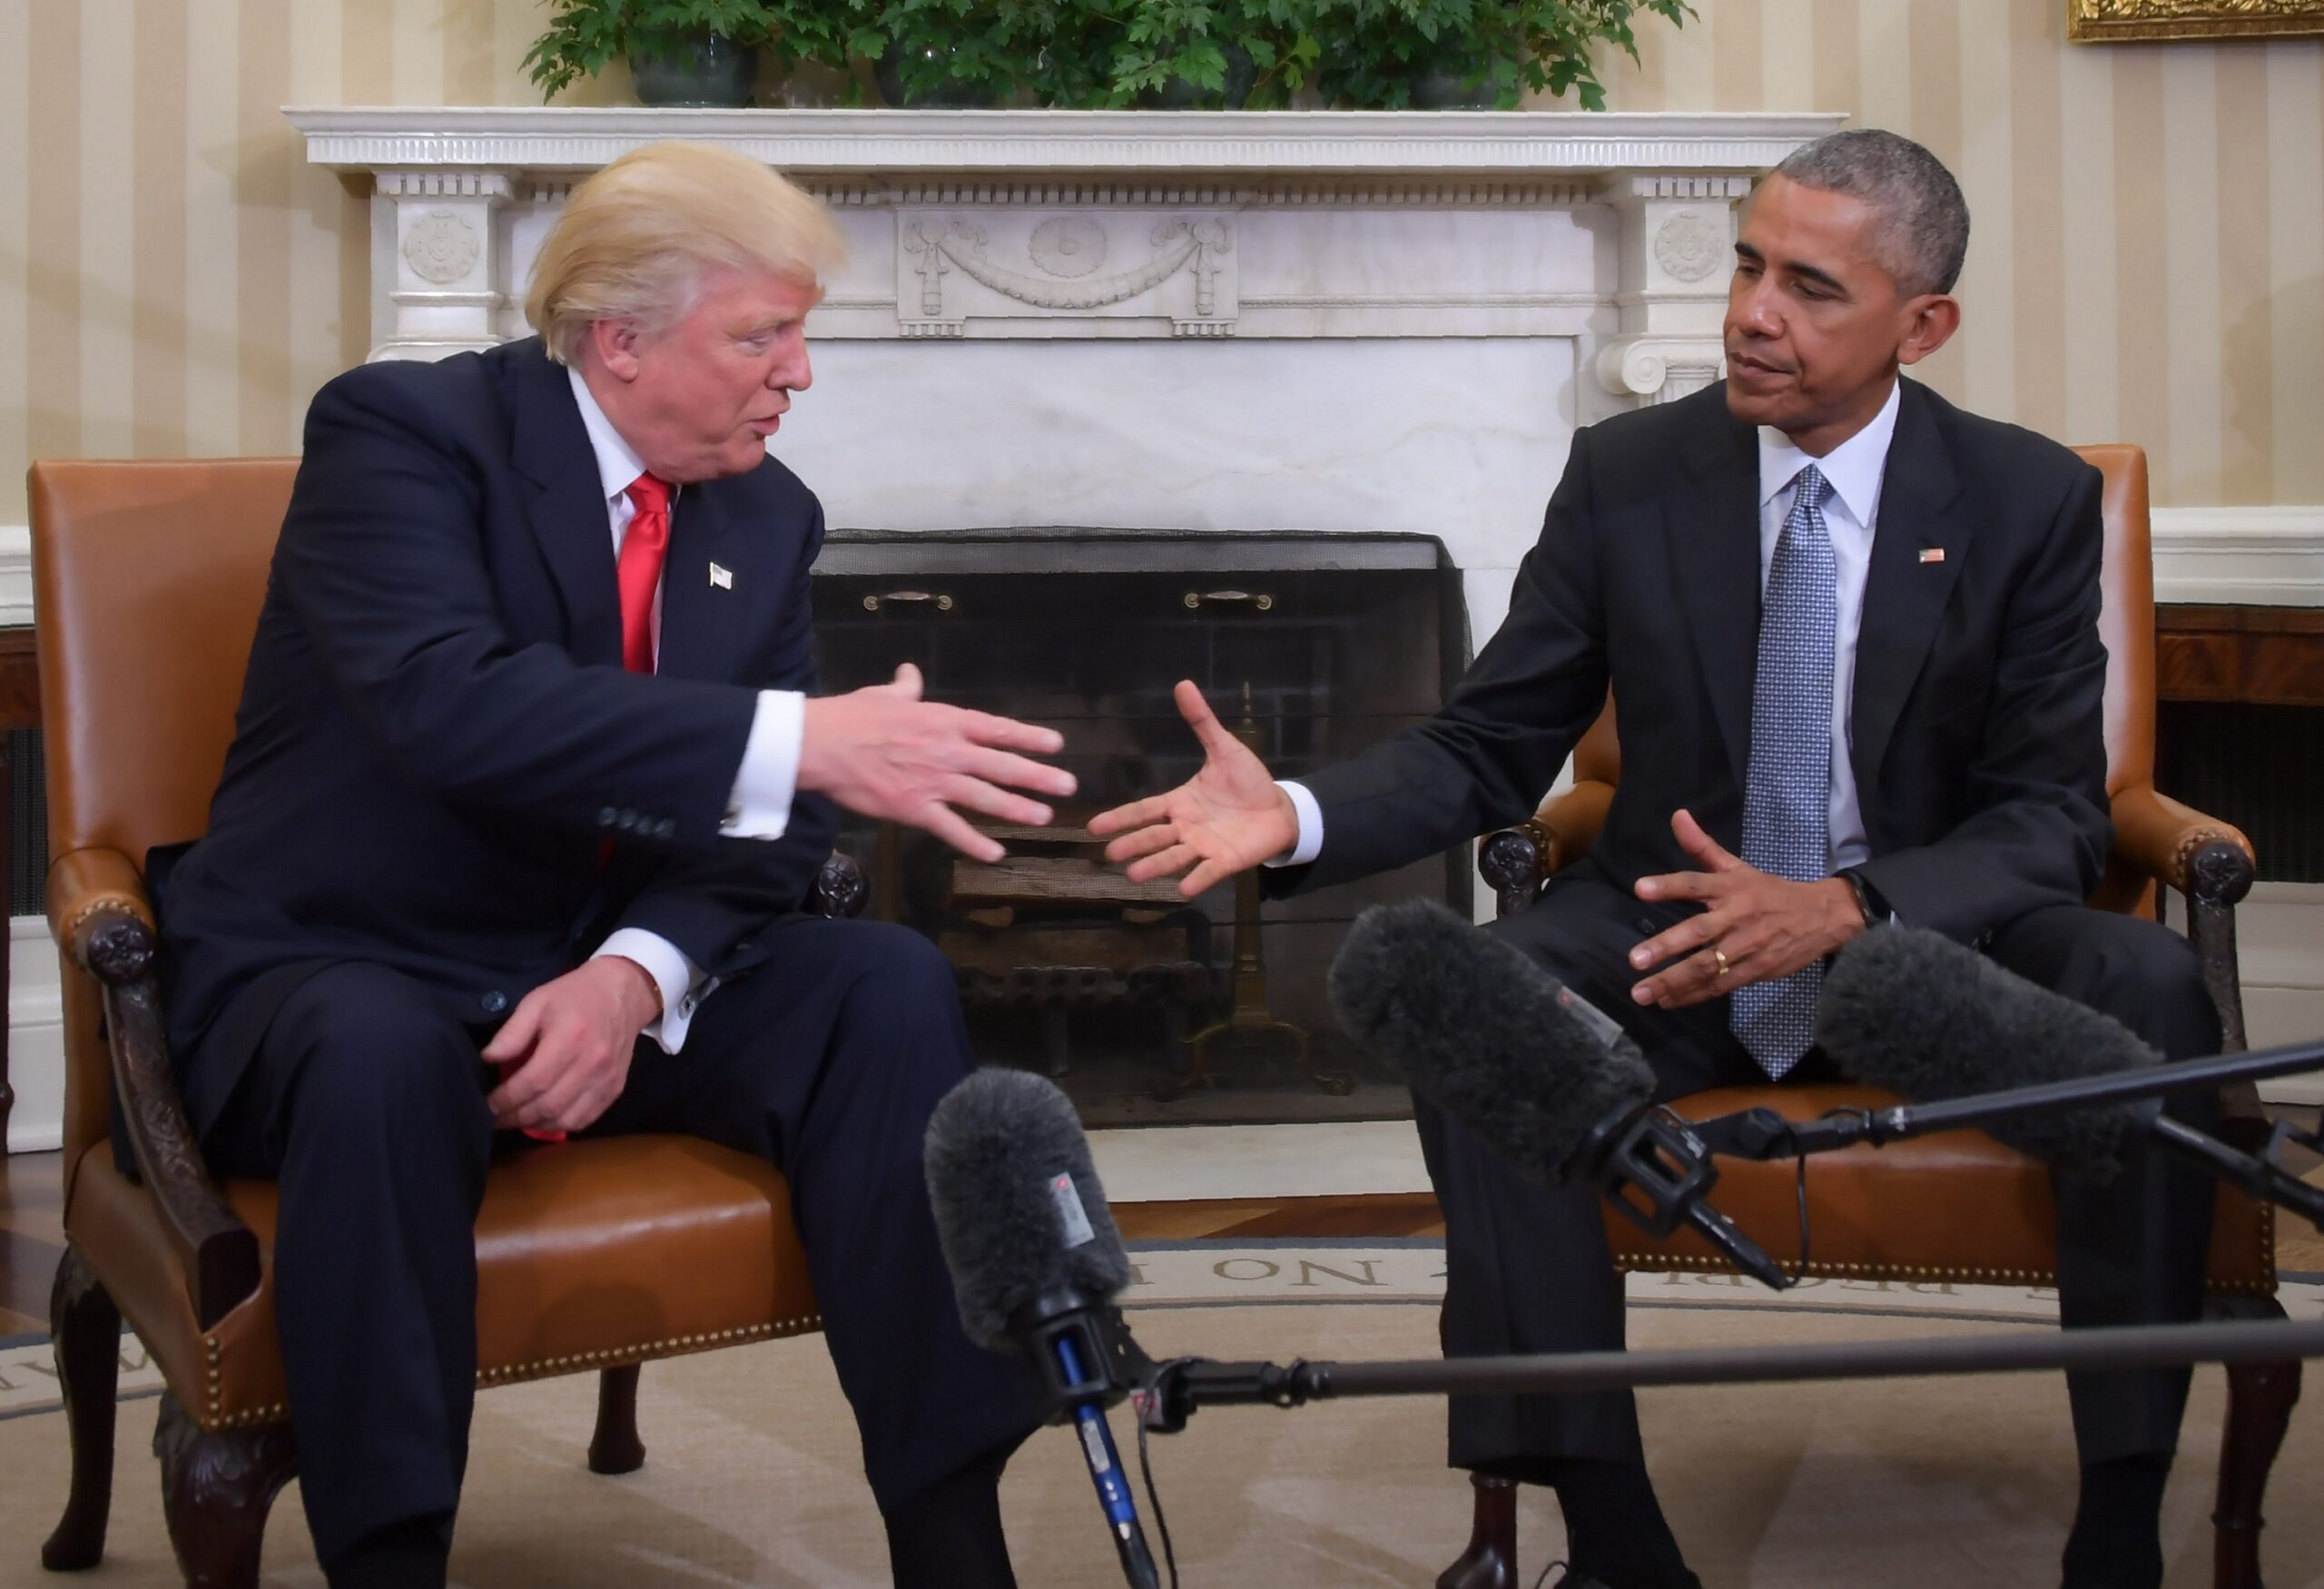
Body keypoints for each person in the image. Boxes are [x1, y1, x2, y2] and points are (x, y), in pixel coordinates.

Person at [1091, 129, 2219, 1589]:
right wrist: (1295, 814)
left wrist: (1849, 905)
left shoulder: (2023, 498)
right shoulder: (1632, 474)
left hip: (1936, 949)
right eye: (1748, 267)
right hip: (1679, 935)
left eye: (1811, 287)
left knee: (2149, 990)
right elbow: (1487, 742)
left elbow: (2054, 815)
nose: (1753, 313)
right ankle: (1614, 1532)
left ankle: (2120, 1520)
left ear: (1922, 323)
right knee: (1477, 1004)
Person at [153, 141, 1073, 1589]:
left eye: (800, 334)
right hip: (344, 961)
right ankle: (387, 1558)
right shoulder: (404, 434)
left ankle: (954, 1546)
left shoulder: (765, 511)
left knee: (882, 982)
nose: (800, 374)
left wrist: (631, 982)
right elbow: (451, 703)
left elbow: (772, 833)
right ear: (620, 338)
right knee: (378, 1052)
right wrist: (804, 738)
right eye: (764, 336)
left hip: (583, 973)